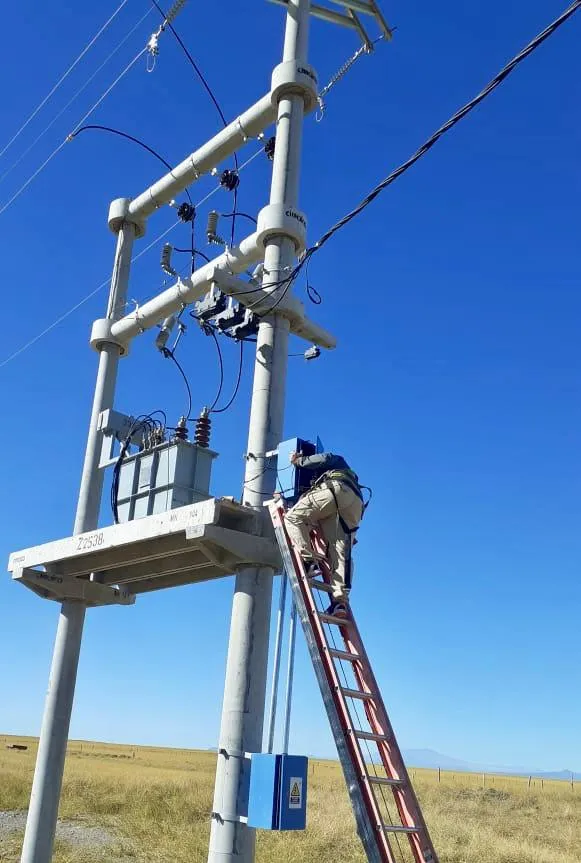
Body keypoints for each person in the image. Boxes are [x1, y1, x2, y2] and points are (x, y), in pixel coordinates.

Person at [284, 450, 364, 617]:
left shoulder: (336, 461)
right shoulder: (350, 475)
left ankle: (309, 561)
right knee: (341, 551)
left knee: (293, 517)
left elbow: (325, 457)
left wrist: (299, 461)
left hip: (336, 490)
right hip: (356, 503)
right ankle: (339, 602)